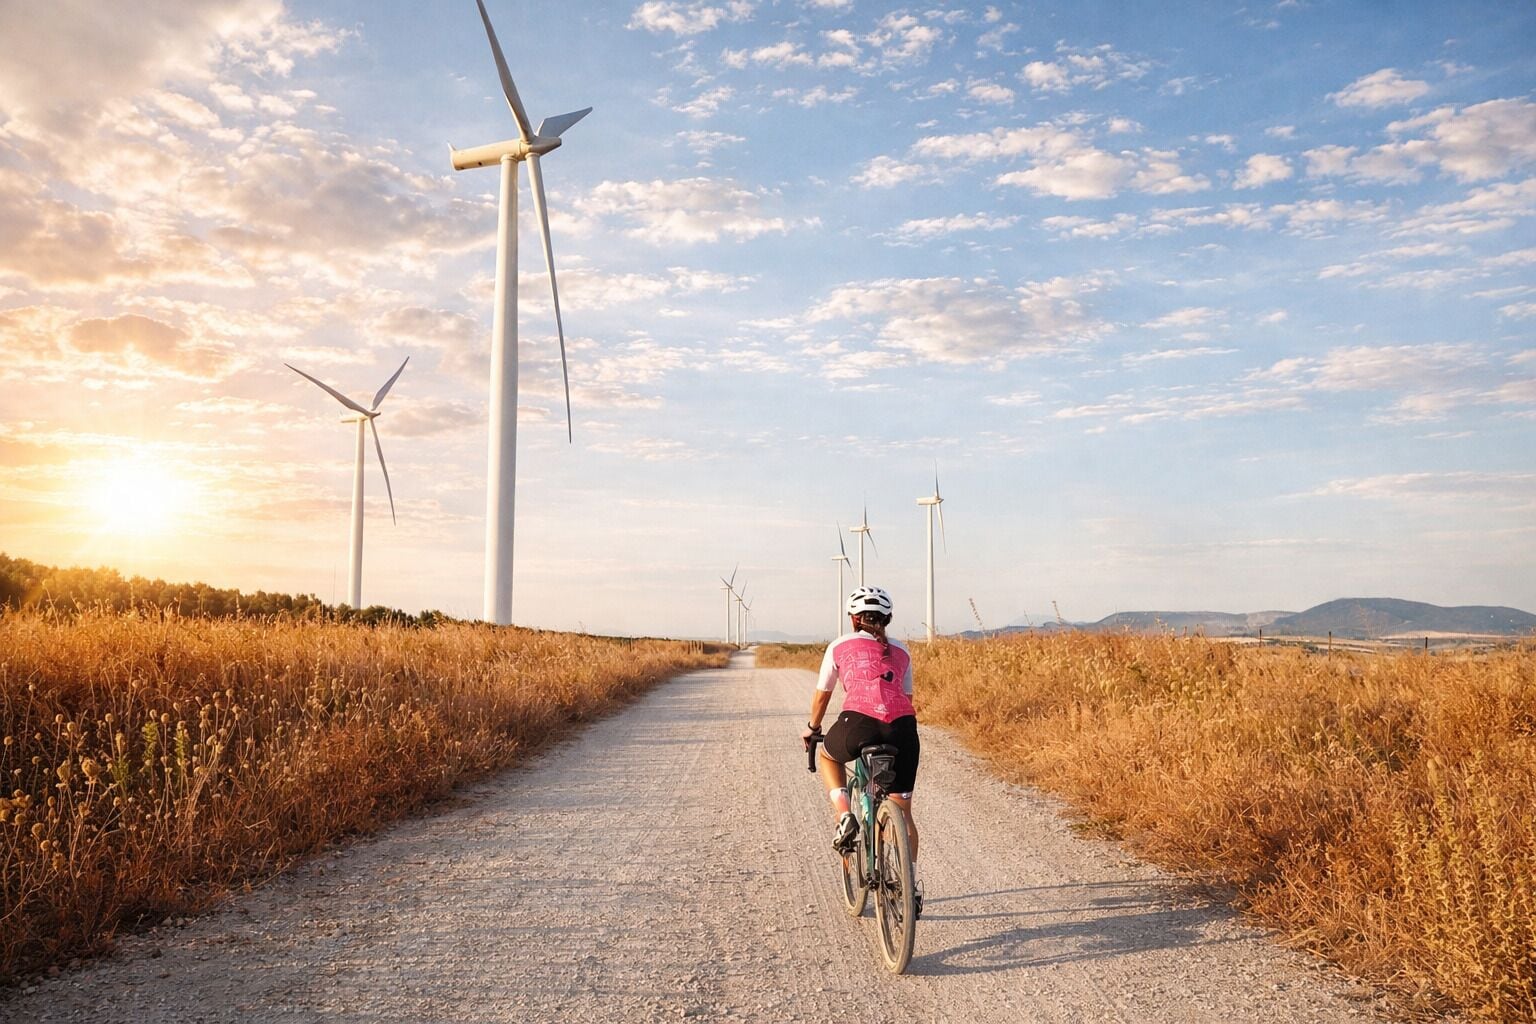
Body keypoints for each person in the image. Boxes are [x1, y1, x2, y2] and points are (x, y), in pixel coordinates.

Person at [801, 585, 922, 914]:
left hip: (858, 723)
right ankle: (908, 886)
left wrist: (813, 728)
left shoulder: (839, 645)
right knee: (903, 812)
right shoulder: (903, 651)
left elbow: (823, 695)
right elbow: (907, 698)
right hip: (903, 729)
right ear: (888, 619)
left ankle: (844, 814)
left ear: (854, 619)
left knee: (828, 755)